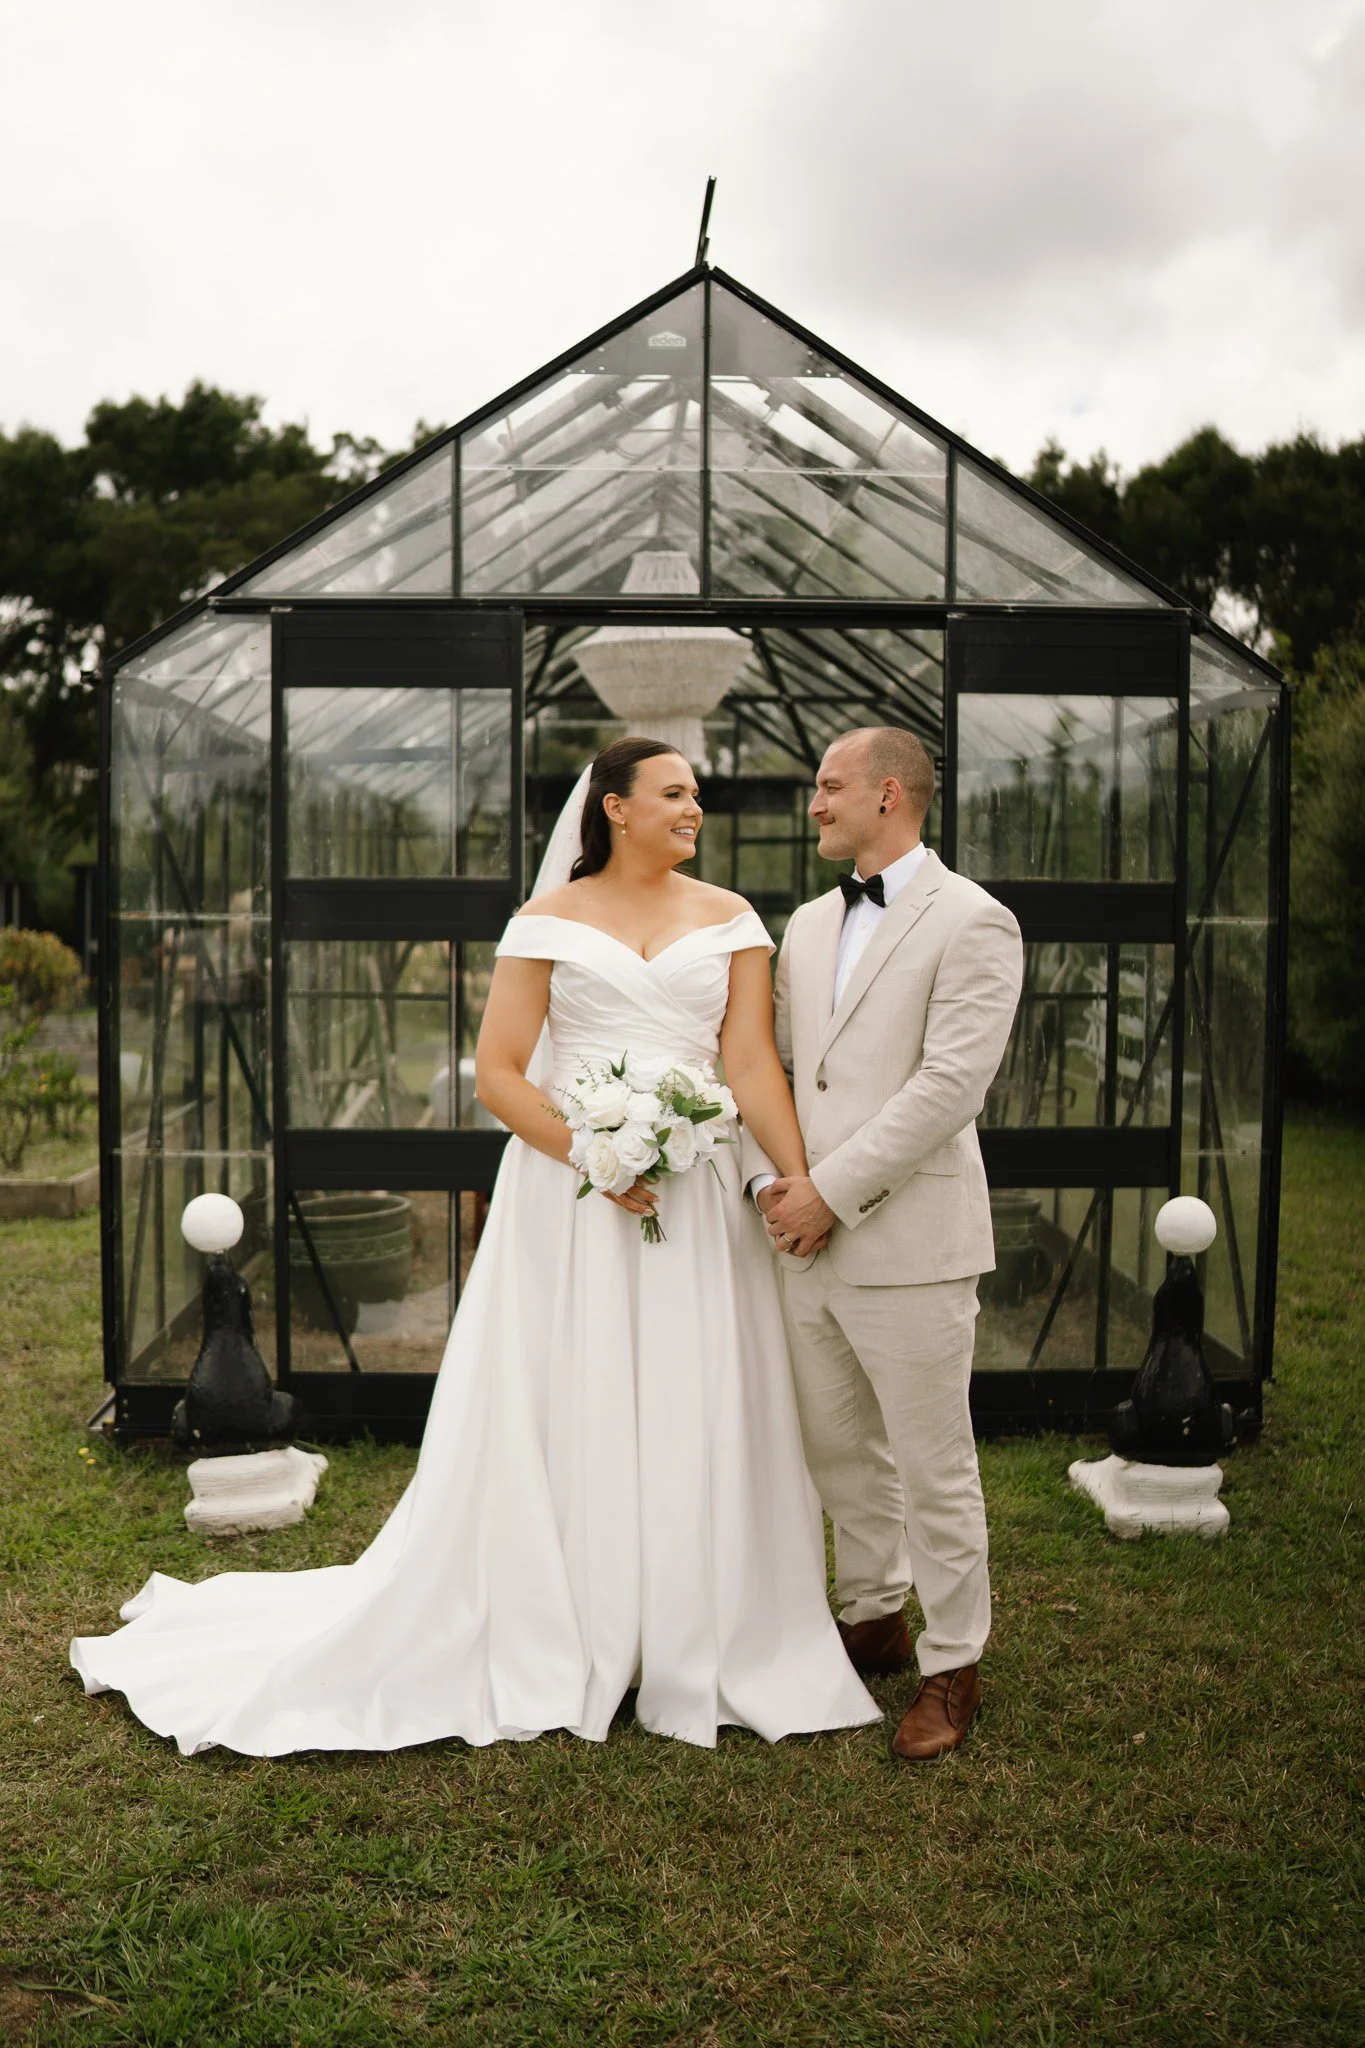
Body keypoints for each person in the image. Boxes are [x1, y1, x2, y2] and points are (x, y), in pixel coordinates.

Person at [70, 738, 878, 1756]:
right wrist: (595, 1149)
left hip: (700, 1199)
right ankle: (572, 1611)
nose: (693, 809)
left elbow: (752, 1062)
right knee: (569, 1393)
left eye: (696, 796)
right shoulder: (545, 920)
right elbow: (501, 1072)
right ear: (614, 808)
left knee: (697, 1391)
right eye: (673, 793)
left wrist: (796, 1178)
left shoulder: (732, 920)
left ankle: (698, 1621)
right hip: (575, 1198)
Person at [746, 726, 1023, 1762]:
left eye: (828, 785)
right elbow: (769, 1065)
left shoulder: (975, 920)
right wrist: (767, 1184)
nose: (813, 802)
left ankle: (954, 1663)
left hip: (909, 1236)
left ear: (889, 792)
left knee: (933, 1459)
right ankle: (873, 1615)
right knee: (837, 1450)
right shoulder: (810, 922)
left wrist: (833, 1191)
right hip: (802, 1236)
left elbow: (950, 1086)